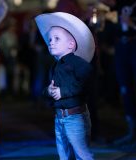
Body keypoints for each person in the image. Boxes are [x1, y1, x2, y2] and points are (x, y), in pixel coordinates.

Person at [35, 12, 95, 159]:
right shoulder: (55, 66)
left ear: (71, 44)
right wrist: (48, 91)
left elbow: (86, 82)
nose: (51, 42)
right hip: (60, 117)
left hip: (75, 117)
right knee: (64, 154)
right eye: (50, 39)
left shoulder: (78, 64)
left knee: (82, 154)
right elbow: (49, 89)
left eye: (56, 39)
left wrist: (63, 91)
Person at [100, 0, 136, 147]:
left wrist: (133, 25)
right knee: (125, 89)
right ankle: (132, 132)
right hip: (121, 47)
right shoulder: (121, 2)